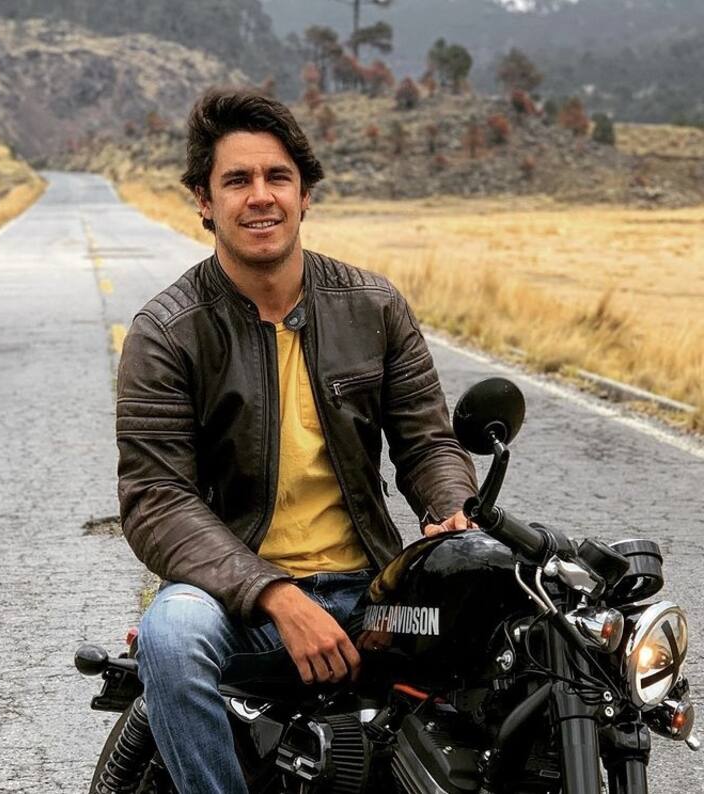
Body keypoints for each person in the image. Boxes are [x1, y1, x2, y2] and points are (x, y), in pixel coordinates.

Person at [116, 88, 477, 793]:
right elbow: (156, 499)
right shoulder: (166, 332)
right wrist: (275, 594)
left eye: (277, 177)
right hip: (231, 598)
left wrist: (449, 509)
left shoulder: (374, 306)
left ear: (304, 194)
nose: (261, 196)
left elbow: (428, 442)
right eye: (237, 180)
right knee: (171, 637)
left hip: (374, 589)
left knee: (514, 636)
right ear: (203, 200)